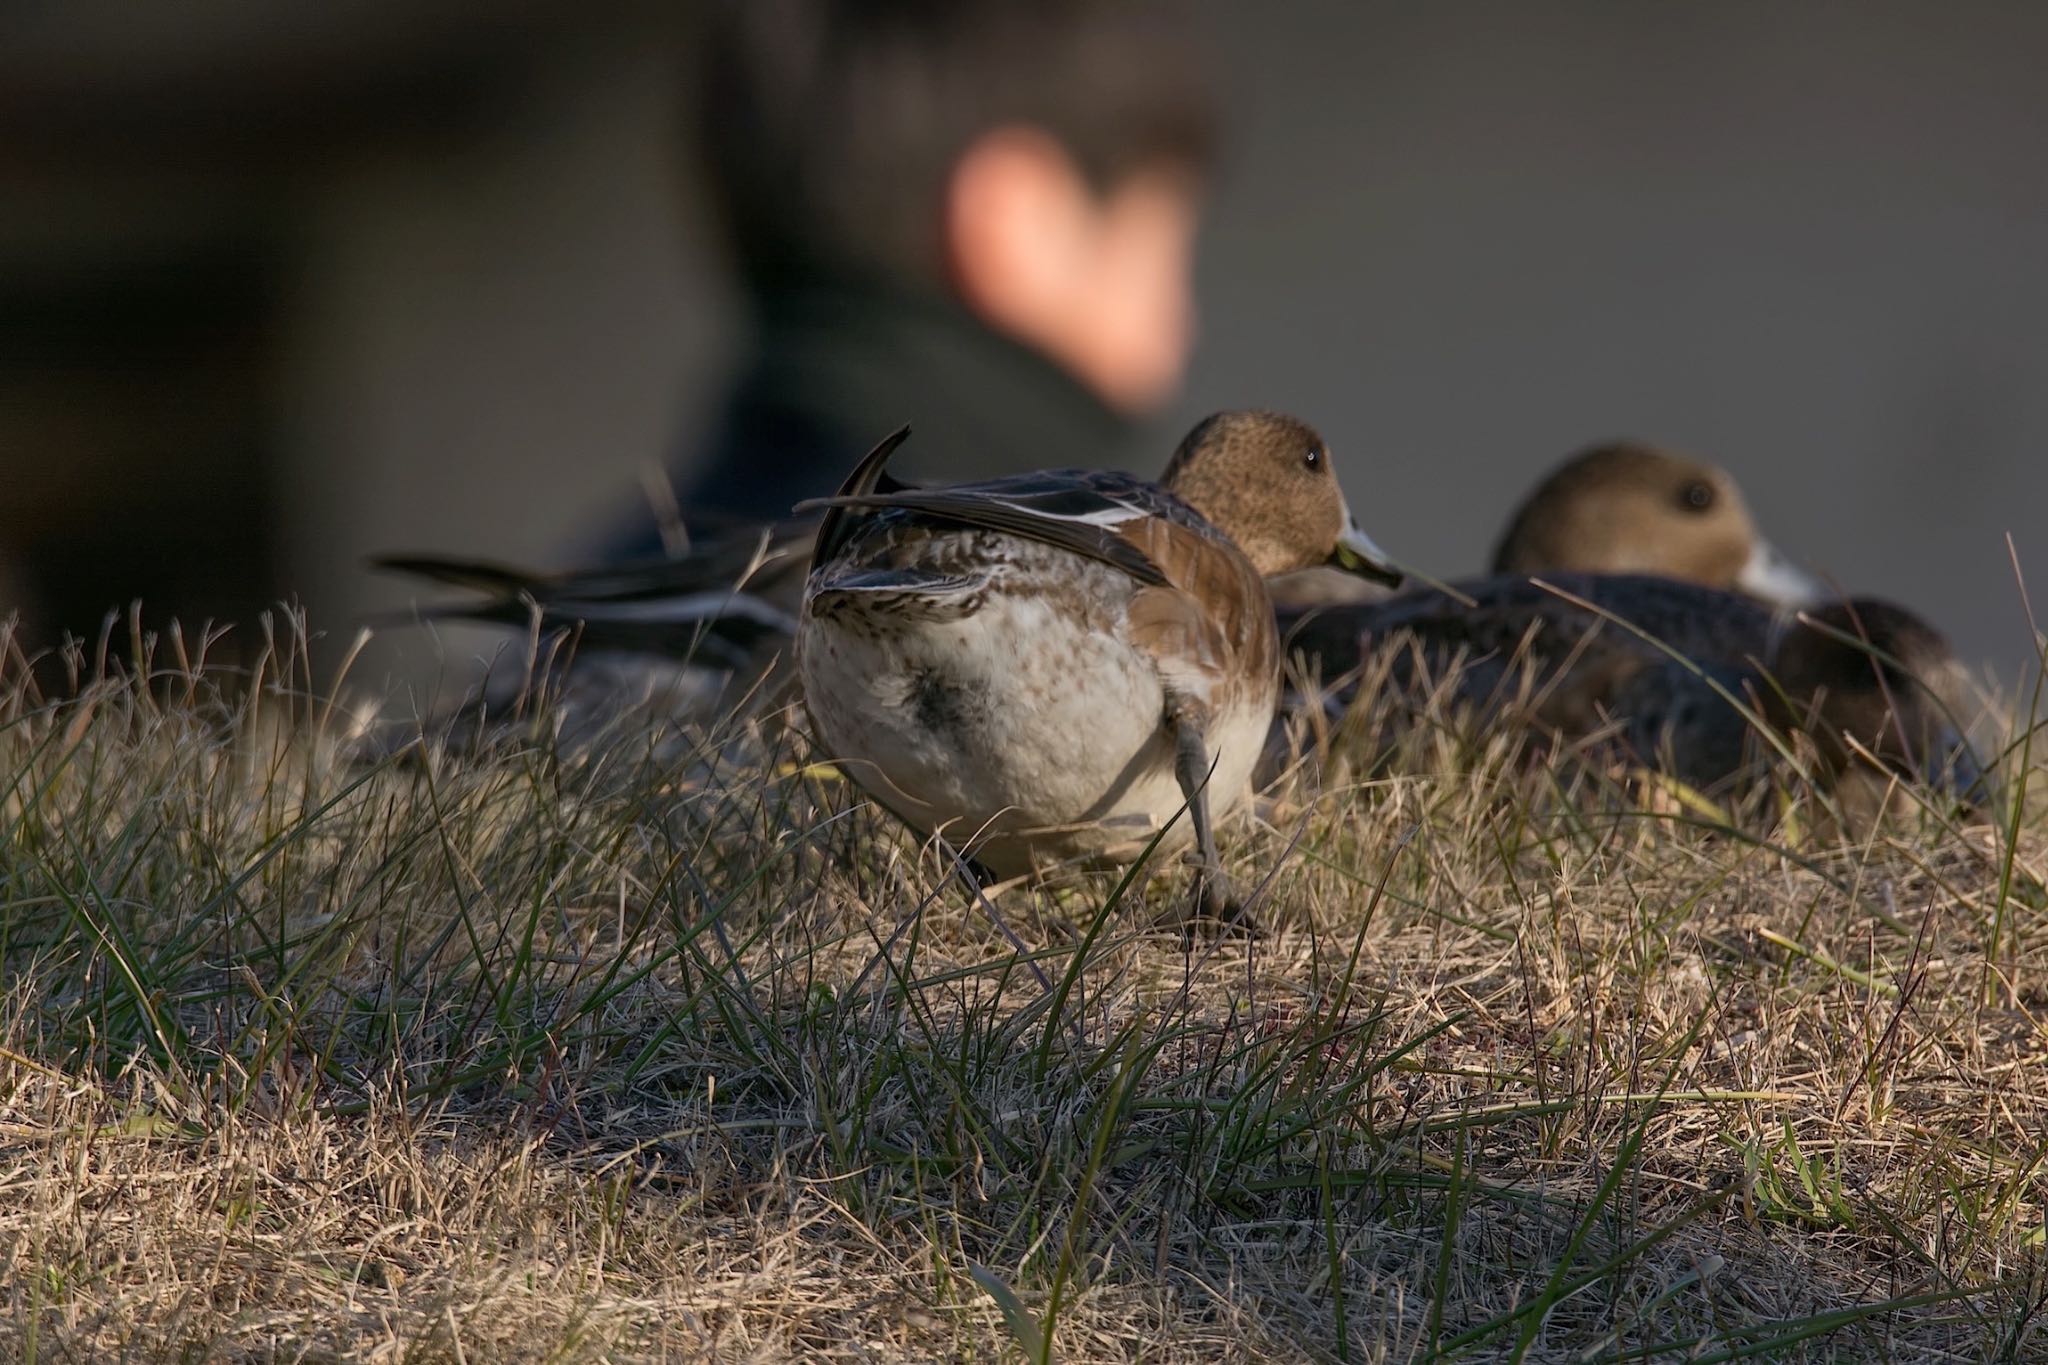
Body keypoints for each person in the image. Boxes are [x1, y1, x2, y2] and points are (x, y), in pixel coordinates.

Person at [607, 0, 1217, 555]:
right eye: (1161, 239)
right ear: (1016, 227)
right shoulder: (1016, 602)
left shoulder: (570, 608)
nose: (1182, 324)